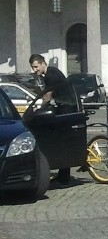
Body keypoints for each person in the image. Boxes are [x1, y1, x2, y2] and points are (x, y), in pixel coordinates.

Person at [29, 53, 71, 184]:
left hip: (65, 109)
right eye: (32, 67)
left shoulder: (50, 76)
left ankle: (62, 174)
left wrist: (39, 109)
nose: (34, 70)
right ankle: (64, 175)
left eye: (36, 67)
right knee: (62, 142)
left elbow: (47, 96)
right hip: (66, 107)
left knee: (56, 139)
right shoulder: (54, 71)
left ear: (43, 63)